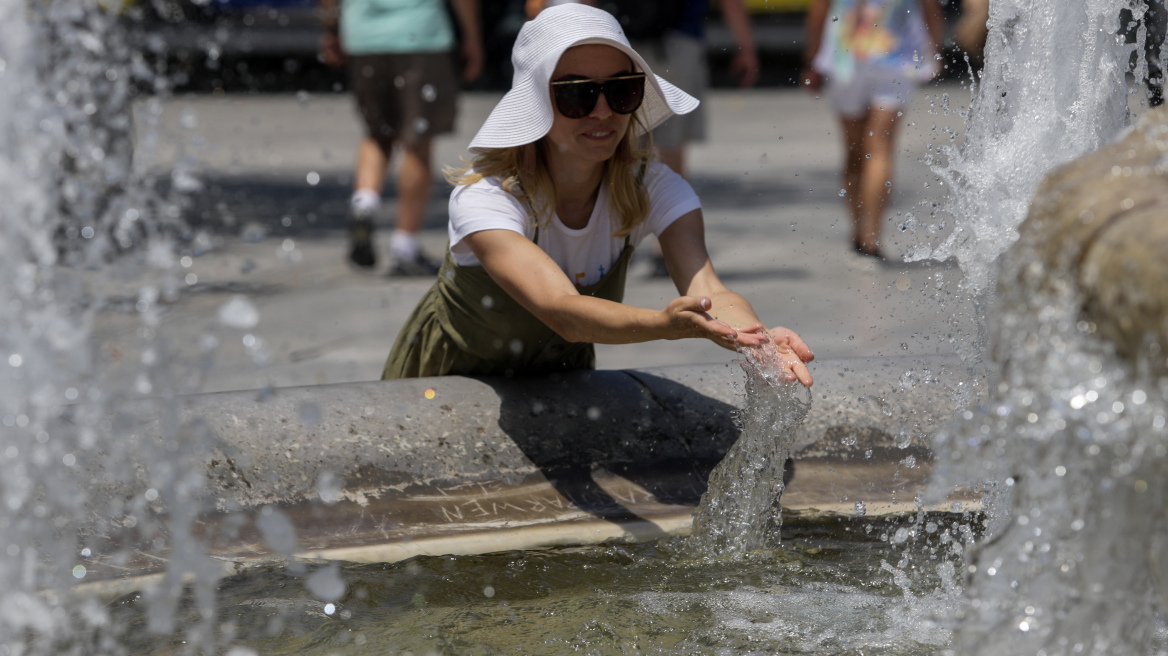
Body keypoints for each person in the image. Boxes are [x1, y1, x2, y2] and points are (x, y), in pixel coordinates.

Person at [381, 3, 814, 385]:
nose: (603, 111)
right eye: (577, 94)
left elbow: (711, 291)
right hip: (443, 380)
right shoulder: (488, 196)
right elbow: (561, 310)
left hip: (562, 383)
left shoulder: (654, 186)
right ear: (534, 104)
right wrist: (664, 324)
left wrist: (756, 338)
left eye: (622, 89)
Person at [319, 0, 484, 276]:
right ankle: (405, 247)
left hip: (363, 38)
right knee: (417, 143)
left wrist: (332, 28)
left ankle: (364, 204)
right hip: (420, 37)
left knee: (377, 134)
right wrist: (472, 36)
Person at [802, 0, 944, 259]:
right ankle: (871, 236)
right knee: (880, 149)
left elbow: (818, 11)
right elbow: (931, 8)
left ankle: (858, 230)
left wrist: (812, 60)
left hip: (847, 57)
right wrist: (934, 49)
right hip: (896, 57)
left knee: (854, 151)